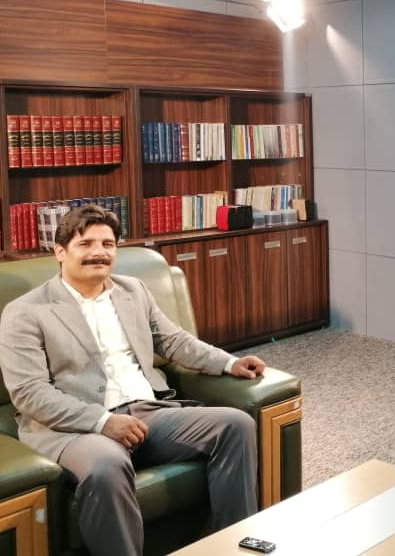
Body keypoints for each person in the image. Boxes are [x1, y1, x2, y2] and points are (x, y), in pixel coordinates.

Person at [0, 204, 267, 556]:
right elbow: (30, 393)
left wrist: (229, 363)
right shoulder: (25, 312)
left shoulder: (133, 290)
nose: (99, 252)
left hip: (146, 413)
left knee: (235, 425)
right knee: (106, 466)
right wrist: (103, 421)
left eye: (107, 244)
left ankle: (232, 548)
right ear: (60, 252)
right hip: (75, 428)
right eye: (86, 244)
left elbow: (174, 341)